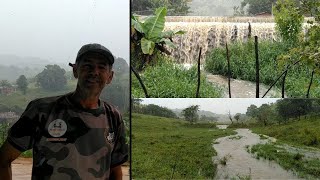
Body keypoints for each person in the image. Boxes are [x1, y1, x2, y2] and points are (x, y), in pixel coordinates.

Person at [0, 43, 128, 180]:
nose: (94, 72)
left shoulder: (113, 117)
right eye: (87, 66)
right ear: (75, 70)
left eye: (101, 67)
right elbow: (3, 159)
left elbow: (115, 168)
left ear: (110, 76)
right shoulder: (42, 110)